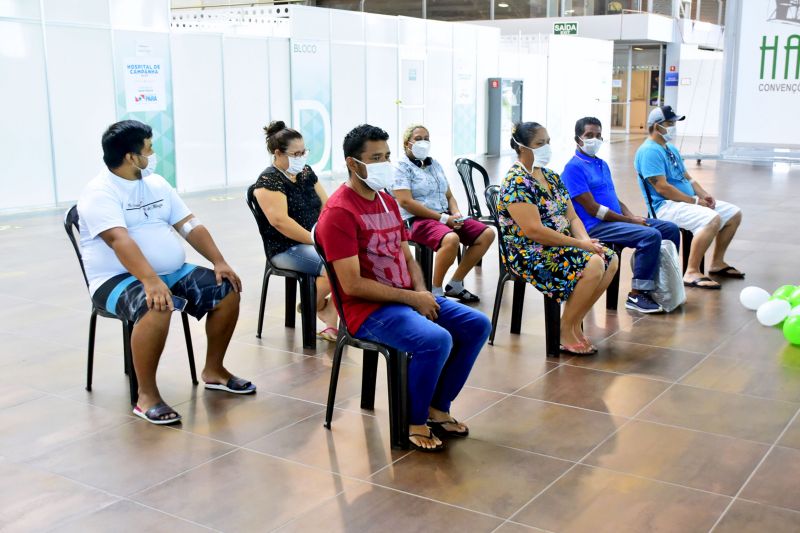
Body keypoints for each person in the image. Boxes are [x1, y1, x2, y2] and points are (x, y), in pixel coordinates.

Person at [316, 124, 491, 452]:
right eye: (375, 158)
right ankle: (413, 420)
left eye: (387, 156)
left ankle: (439, 407)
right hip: (367, 310)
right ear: (354, 164)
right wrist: (412, 299)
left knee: (476, 324)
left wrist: (423, 294)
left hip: (404, 299)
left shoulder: (385, 200)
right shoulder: (339, 212)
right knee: (435, 339)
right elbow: (351, 285)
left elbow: (405, 255)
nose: (384, 164)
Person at [78, 120, 254, 426]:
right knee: (156, 305)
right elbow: (120, 241)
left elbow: (188, 224)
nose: (153, 152)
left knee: (226, 290)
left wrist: (219, 261)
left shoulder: (156, 183)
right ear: (131, 157)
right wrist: (150, 280)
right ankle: (146, 396)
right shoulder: (99, 192)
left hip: (170, 272)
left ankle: (214, 370)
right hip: (116, 279)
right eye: (149, 147)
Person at [497, 122, 619, 355]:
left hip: (560, 245)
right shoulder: (516, 182)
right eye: (539, 144)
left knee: (608, 259)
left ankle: (573, 322)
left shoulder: (552, 177)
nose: (546, 148)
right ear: (522, 148)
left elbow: (572, 217)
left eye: (548, 142)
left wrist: (588, 243)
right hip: (529, 252)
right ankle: (563, 328)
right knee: (593, 263)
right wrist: (580, 245)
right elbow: (534, 231)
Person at [561, 117, 681, 313]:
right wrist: (630, 222)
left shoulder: (601, 164)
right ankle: (637, 294)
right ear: (578, 139)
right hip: (596, 226)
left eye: (598, 135)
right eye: (589, 135)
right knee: (650, 235)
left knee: (669, 228)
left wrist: (633, 217)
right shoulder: (573, 168)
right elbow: (594, 209)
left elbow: (614, 199)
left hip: (616, 220)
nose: (595, 139)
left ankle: (665, 284)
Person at [634, 105, 744, 289]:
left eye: (673, 123)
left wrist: (703, 194)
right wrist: (694, 201)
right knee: (711, 219)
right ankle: (691, 271)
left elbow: (687, 177)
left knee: (733, 213)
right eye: (669, 123)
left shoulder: (669, 148)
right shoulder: (649, 151)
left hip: (685, 202)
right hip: (665, 207)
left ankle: (717, 262)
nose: (673, 127)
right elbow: (662, 188)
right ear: (655, 126)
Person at [251, 120, 338, 341]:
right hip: (285, 248)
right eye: (296, 154)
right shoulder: (268, 181)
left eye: (304, 152)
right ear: (278, 153)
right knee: (334, 266)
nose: (302, 158)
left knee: (349, 258)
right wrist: (317, 239)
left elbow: (325, 205)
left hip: (314, 240)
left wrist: (329, 232)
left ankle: (318, 307)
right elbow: (281, 223)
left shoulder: (306, 172)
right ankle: (317, 307)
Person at [392, 124, 495, 302]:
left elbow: (449, 195)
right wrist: (443, 218)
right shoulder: (401, 167)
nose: (423, 142)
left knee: (486, 234)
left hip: (444, 215)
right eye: (418, 139)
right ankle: (436, 291)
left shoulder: (434, 164)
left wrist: (455, 213)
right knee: (451, 239)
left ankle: (455, 284)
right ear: (406, 143)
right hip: (417, 220)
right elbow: (405, 201)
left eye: (426, 138)